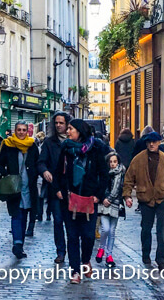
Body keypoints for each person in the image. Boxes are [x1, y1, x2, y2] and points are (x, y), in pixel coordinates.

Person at [55, 119, 108, 284]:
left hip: (89, 200)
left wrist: (98, 195)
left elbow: (104, 174)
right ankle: (75, 272)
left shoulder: (96, 149)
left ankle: (85, 261)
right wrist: (57, 190)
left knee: (88, 236)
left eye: (71, 129)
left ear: (80, 131)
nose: (67, 131)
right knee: (72, 236)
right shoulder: (65, 149)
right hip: (69, 199)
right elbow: (57, 172)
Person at [123, 131, 164, 270]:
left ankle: (161, 259)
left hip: (162, 197)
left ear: (159, 142)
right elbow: (129, 178)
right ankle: (145, 254)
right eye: (149, 142)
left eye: (154, 142)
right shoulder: (138, 159)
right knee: (146, 229)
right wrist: (127, 195)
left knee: (162, 230)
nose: (152, 144)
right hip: (146, 198)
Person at [0, 121, 39, 259]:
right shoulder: (8, 145)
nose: (21, 132)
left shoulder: (32, 146)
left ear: (27, 131)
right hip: (13, 187)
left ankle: (20, 245)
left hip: (29, 187)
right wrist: (6, 174)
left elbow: (37, 163)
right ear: (15, 130)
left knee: (24, 215)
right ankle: (17, 244)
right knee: (16, 214)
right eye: (19, 130)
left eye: (24, 130)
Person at [37, 111, 71, 263]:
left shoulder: (74, 141)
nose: (58, 125)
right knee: (58, 221)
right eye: (56, 123)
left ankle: (73, 251)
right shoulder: (49, 142)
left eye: (61, 123)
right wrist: (44, 171)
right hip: (55, 187)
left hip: (72, 188)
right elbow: (41, 161)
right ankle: (61, 251)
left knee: (71, 222)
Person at [95, 151, 125, 268]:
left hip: (116, 204)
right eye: (111, 162)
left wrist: (113, 199)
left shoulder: (121, 173)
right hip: (104, 204)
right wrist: (103, 198)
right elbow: (99, 186)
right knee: (105, 229)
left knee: (112, 231)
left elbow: (121, 188)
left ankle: (109, 255)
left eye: (115, 161)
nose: (113, 164)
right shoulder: (103, 173)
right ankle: (101, 248)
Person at [34, 131, 47, 222]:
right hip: (40, 177)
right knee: (40, 197)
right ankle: (40, 214)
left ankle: (39, 214)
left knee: (40, 197)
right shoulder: (40, 150)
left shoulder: (39, 151)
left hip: (40, 177)